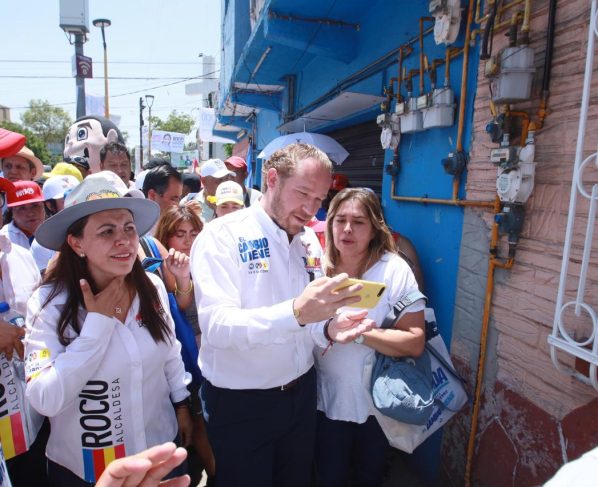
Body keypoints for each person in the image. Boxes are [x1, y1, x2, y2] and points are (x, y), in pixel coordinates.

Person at [190, 143, 375, 487]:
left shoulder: (309, 242)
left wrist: (331, 328)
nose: (310, 209)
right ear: (272, 179)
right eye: (303, 193)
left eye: (320, 199)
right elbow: (217, 328)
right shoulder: (222, 237)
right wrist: (295, 313)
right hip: (241, 404)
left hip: (301, 396)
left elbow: (309, 322)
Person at [25, 171, 193, 486]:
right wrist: (98, 326)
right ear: (76, 243)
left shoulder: (152, 287)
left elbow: (170, 352)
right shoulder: (48, 304)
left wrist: (182, 404)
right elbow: (44, 398)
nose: (123, 240)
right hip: (86, 470)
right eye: (106, 231)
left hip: (158, 458)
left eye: (129, 228)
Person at [314, 187, 426, 487]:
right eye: (340, 220)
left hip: (376, 405)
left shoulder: (394, 270)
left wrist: (363, 334)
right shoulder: (315, 267)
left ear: (375, 227)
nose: (347, 229)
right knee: (327, 476)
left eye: (359, 221)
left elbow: (415, 341)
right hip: (322, 400)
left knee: (369, 476)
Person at [154, 202, 215, 486]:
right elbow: (182, 306)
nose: (188, 241)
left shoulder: (210, 260)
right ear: (167, 236)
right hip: (181, 367)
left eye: (193, 233)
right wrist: (181, 277)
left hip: (210, 360)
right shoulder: (160, 269)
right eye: (180, 233)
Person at [0, 180, 46, 249]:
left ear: (44, 206)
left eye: (35, 206)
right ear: (12, 212)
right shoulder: (4, 238)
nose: (30, 213)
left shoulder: (56, 232)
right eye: (22, 208)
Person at [193, 159, 234, 223]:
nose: (224, 184)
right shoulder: (189, 204)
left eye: (226, 179)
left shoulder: (236, 202)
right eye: (219, 180)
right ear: (204, 181)